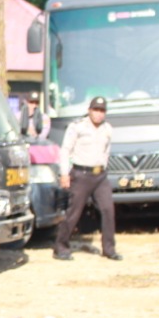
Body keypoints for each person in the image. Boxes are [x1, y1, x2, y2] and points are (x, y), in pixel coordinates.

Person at [53, 96, 120, 261]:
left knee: (108, 209)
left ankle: (109, 249)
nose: (98, 114)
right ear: (89, 110)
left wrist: (103, 167)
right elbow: (65, 150)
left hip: (100, 175)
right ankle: (61, 247)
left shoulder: (107, 129)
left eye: (102, 110)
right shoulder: (77, 127)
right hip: (81, 174)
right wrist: (64, 174)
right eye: (95, 110)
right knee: (74, 212)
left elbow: (106, 151)